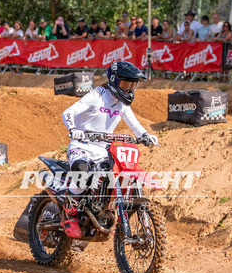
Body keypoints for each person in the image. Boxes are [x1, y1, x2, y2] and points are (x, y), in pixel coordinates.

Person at [59, 61, 159, 237]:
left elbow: (135, 126)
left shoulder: (122, 104)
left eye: (132, 86)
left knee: (118, 176)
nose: (128, 90)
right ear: (114, 80)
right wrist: (74, 130)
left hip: (104, 150)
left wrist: (146, 135)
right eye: (125, 85)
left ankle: (106, 211)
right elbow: (68, 112)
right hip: (82, 147)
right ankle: (69, 213)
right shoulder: (97, 95)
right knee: (82, 175)